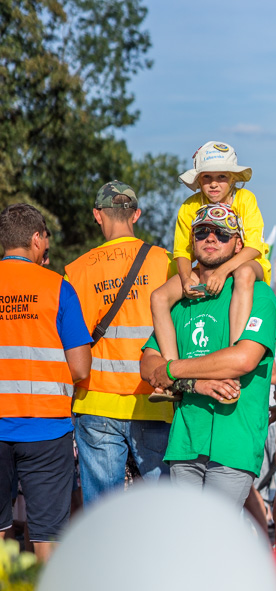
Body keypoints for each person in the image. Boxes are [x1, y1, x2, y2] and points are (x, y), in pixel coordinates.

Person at [140, 204, 276, 511]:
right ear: (192, 242)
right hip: (185, 441)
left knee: (216, 540)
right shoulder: (183, 299)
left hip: (235, 441)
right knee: (186, 541)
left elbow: (242, 359)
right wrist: (194, 383)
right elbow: (149, 364)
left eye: (222, 234)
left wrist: (173, 371)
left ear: (238, 244)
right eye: (202, 232)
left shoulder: (259, 294)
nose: (211, 238)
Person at [65, 181, 176, 505]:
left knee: (103, 512)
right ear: (136, 214)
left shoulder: (77, 270)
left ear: (98, 215)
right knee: (162, 509)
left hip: (96, 403)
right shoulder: (166, 263)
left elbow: (72, 343)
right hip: (154, 399)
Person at [0, 203, 92, 560]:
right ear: (36, 239)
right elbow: (81, 368)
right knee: (47, 538)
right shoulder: (58, 288)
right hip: (46, 429)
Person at [150, 141, 271, 367]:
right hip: (204, 268)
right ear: (198, 180)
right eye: (207, 178)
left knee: (244, 273)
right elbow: (182, 253)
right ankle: (170, 369)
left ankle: (233, 354)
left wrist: (223, 271)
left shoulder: (246, 200)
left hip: (249, 263)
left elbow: (254, 247)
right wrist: (186, 279)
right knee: (158, 297)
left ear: (233, 179)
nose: (214, 184)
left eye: (222, 177)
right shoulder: (188, 206)